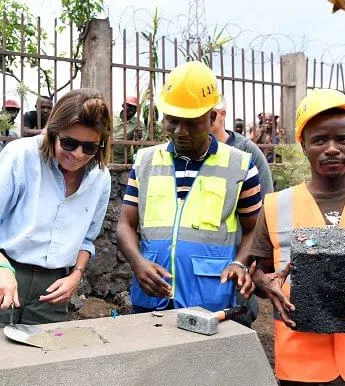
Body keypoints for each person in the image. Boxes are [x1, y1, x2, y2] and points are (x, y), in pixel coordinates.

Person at [250, 88, 345, 386]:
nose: (332, 149)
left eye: (343, 139)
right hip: (301, 373)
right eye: (320, 140)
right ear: (303, 145)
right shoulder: (276, 206)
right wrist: (263, 284)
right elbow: (260, 273)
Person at [0, 88, 112, 330]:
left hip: (52, 289)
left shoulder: (100, 177)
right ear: (53, 132)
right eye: (69, 143)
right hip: (2, 274)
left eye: (89, 147)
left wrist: (76, 276)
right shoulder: (21, 156)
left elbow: (86, 240)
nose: (78, 155)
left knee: (40, 363)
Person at [117, 61, 262, 314]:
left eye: (191, 123)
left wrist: (239, 263)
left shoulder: (240, 165)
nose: (180, 132)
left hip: (209, 300)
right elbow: (125, 224)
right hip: (150, 297)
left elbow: (255, 230)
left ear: (213, 117)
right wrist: (138, 263)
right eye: (172, 121)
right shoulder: (145, 162)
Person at [211, 95, 274, 327]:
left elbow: (264, 211)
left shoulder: (248, 154)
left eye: (212, 116)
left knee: (236, 320)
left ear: (222, 115)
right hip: (206, 259)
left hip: (239, 257)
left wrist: (253, 260)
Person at [112, 96, 142, 164]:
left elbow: (143, 140)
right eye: (130, 106)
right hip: (108, 157)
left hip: (124, 160)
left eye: (135, 107)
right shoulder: (112, 116)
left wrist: (139, 137)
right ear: (123, 105)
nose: (132, 109)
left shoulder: (138, 123)